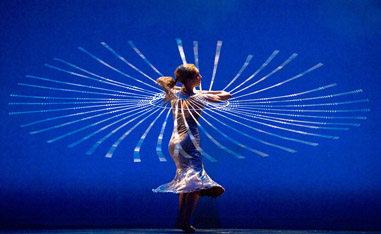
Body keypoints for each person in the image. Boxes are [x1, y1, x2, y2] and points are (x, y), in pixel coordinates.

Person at [152, 64, 231, 233]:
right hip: (189, 141)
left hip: (174, 142)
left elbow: (161, 81)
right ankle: (185, 221)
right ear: (189, 79)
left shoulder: (174, 94)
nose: (201, 77)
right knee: (196, 185)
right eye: (197, 75)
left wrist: (182, 86)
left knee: (188, 184)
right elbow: (226, 95)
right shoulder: (198, 96)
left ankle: (182, 220)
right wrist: (206, 94)